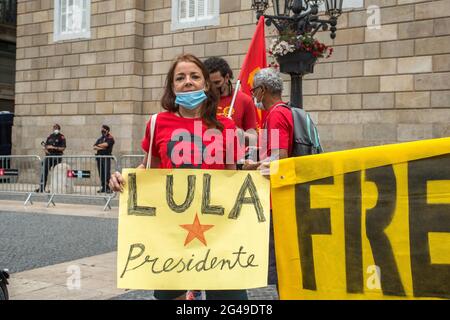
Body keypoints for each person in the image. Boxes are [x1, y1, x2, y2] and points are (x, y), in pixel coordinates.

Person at [109, 54, 247, 300]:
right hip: (171, 234)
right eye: (180, 77)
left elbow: (232, 178)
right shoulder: (156, 123)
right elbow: (148, 170)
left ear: (206, 84)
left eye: (195, 76)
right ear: (172, 87)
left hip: (219, 232)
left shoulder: (226, 126)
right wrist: (123, 179)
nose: (188, 82)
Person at [243, 68, 295, 291]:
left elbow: (279, 157)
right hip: (282, 197)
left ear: (262, 90)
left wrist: (251, 166)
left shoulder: (275, 114)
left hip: (277, 200)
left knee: (280, 265)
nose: (254, 96)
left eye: (254, 91)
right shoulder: (285, 111)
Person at [36, 124, 66, 192]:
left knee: (56, 173)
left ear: (59, 129)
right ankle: (41, 188)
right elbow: (46, 146)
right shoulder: (50, 136)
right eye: (54, 128)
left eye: (57, 128)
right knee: (44, 172)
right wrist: (46, 150)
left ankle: (55, 189)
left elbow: (63, 148)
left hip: (57, 156)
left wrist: (54, 147)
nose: (55, 129)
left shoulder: (61, 137)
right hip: (49, 156)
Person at [93, 124, 115, 193]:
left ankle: (108, 187)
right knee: (101, 173)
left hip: (106, 157)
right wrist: (102, 147)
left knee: (106, 172)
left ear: (107, 130)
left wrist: (99, 146)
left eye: (103, 129)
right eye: (102, 129)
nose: (102, 130)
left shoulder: (110, 138)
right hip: (99, 157)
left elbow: (107, 144)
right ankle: (103, 187)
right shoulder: (100, 138)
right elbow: (94, 147)